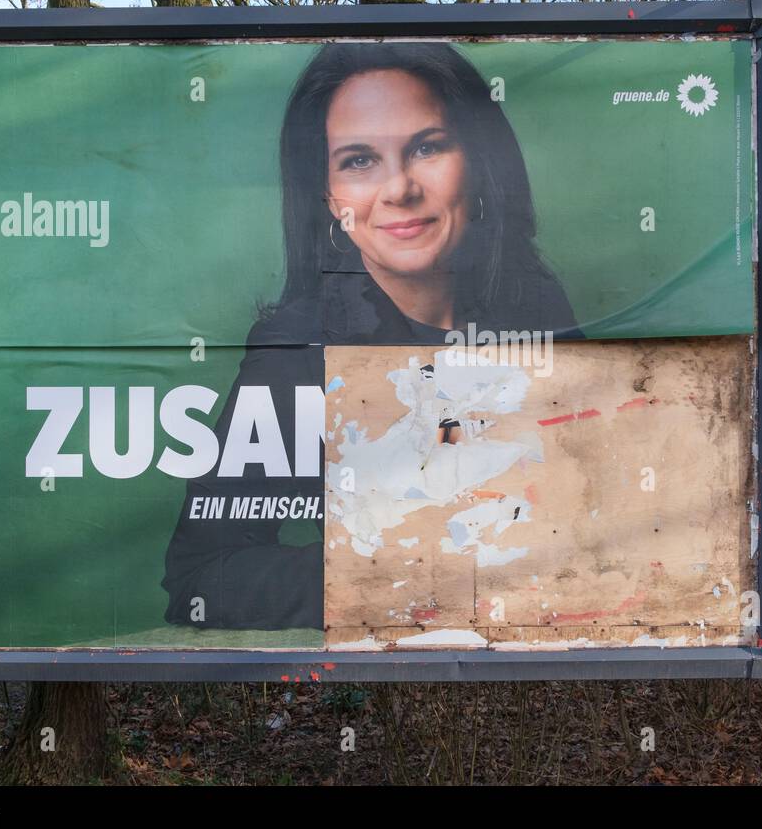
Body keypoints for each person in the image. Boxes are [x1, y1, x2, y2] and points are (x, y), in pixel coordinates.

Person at [161, 42, 581, 630]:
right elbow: (201, 578)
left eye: (428, 147)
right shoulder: (297, 350)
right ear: (327, 196)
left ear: (479, 163)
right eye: (359, 160)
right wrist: (398, 573)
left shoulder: (541, 309)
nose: (399, 189)